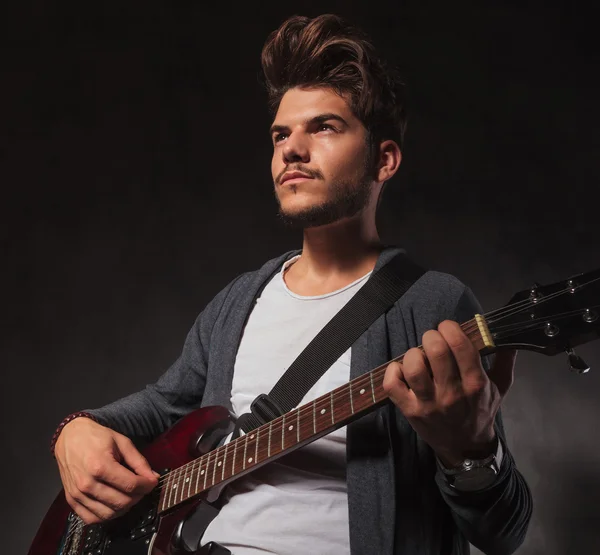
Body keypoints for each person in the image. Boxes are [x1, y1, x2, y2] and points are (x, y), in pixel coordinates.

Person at [52, 13, 532, 555]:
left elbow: (502, 530)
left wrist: (467, 449)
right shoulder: (238, 302)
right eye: (281, 133)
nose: (291, 149)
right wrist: (74, 432)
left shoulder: (433, 304)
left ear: (385, 160)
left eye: (323, 127)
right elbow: (158, 407)